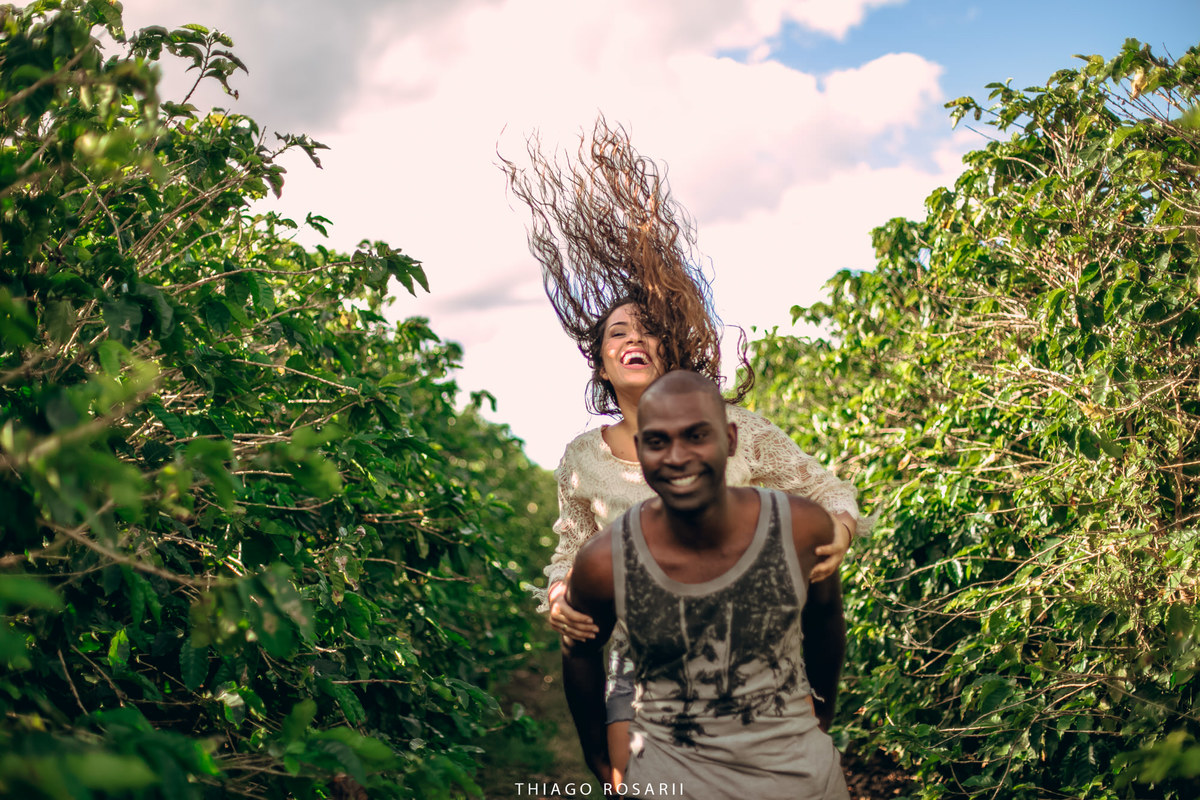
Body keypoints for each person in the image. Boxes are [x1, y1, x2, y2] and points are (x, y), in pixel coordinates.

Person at [503, 117, 865, 782]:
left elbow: (823, 488)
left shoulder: (741, 428)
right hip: (640, 666)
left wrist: (841, 527)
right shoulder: (583, 457)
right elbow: (572, 542)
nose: (631, 337)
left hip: (754, 648)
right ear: (603, 367)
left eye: (646, 328)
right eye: (615, 333)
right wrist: (559, 592)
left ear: (671, 351)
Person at [562, 370, 849, 798]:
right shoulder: (606, 561)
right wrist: (598, 758)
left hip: (798, 778)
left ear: (731, 441)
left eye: (697, 436)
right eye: (658, 442)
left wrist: (819, 717)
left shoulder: (799, 528)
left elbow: (826, 620)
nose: (678, 456)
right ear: (640, 452)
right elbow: (579, 652)